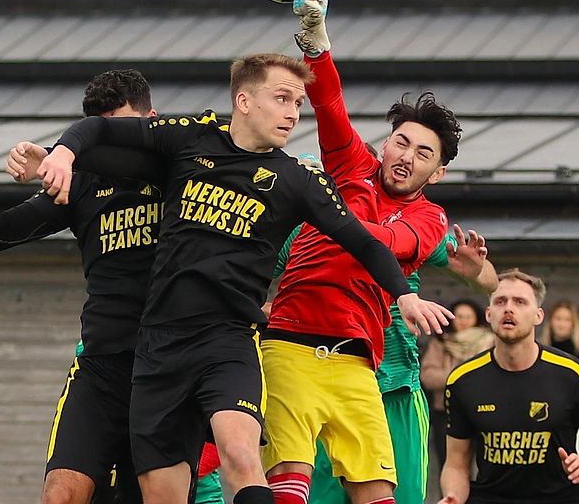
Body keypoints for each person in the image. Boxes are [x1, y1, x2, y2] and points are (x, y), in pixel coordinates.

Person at [36, 52, 451, 504]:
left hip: (229, 341)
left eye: (298, 102)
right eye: (282, 98)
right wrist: (62, 155)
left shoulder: (296, 179)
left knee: (240, 452)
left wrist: (402, 297)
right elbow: (97, 131)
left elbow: (364, 242)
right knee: (163, 493)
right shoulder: (190, 139)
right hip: (159, 348)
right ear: (245, 101)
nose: (294, 111)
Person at [261, 0, 498, 504]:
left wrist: (479, 272)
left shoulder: (429, 220)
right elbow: (329, 107)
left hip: (377, 372)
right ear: (385, 143)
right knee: (293, 489)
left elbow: (385, 244)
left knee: (390, 494)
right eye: (402, 142)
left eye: (424, 153)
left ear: (438, 172)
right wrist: (318, 47)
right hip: (293, 350)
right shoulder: (343, 173)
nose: (407, 156)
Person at [0, 69, 162, 504]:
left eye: (121, 128)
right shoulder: (81, 185)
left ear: (151, 118)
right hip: (101, 367)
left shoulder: (179, 172)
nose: (111, 144)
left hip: (165, 370)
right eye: (103, 133)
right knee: (60, 494)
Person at [440, 269, 579, 504]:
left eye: (520, 302)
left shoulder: (571, 374)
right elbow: (456, 465)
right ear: (488, 314)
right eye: (500, 301)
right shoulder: (462, 380)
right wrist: (453, 496)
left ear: (538, 316)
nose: (508, 308)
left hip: (564, 497)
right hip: (492, 497)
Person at [420, 299, 494, 468]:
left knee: (482, 465)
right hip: (446, 413)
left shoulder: (489, 342)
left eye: (468, 316)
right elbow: (427, 376)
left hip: (482, 411)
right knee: (448, 465)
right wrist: (459, 375)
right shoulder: (440, 343)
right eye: (459, 316)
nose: (464, 320)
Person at [540, 300, 579, 383]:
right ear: (550, 321)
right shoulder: (539, 350)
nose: (562, 324)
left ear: (574, 323)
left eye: (567, 320)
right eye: (558, 318)